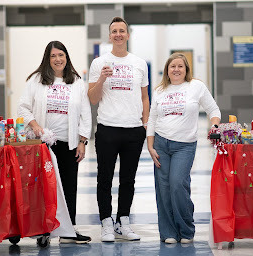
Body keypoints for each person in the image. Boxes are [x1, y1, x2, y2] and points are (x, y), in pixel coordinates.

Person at [18, 40, 92, 244]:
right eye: (53, 56)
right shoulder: (36, 80)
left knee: (69, 186)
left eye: (61, 55)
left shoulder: (77, 82)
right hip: (43, 146)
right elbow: (23, 107)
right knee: (44, 187)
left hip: (69, 144)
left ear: (66, 57)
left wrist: (82, 141)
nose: (58, 59)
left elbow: (86, 114)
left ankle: (69, 230)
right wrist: (35, 126)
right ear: (47, 59)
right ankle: (44, 230)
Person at [146, 53, 221, 244]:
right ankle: (168, 232)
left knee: (178, 185)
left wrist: (214, 125)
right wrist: (150, 145)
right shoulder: (160, 90)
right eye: (173, 66)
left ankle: (186, 229)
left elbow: (213, 109)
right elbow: (152, 118)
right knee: (163, 189)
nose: (176, 70)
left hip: (185, 146)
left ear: (186, 69)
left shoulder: (196, 86)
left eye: (180, 66)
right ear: (167, 70)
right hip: (161, 144)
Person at [88, 17, 149, 242]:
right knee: (104, 178)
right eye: (114, 31)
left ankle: (123, 221)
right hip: (107, 128)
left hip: (133, 130)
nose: (118, 34)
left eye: (122, 31)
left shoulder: (139, 63)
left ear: (128, 35)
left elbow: (144, 97)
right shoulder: (99, 63)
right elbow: (92, 98)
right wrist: (102, 79)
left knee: (128, 179)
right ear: (109, 35)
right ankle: (106, 222)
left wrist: (145, 124)